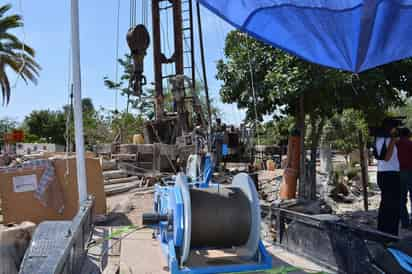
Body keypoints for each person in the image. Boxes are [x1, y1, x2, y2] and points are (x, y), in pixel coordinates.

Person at [375, 122, 401, 235]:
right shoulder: (385, 140)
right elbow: (386, 158)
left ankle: (384, 231)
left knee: (387, 204)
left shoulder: (380, 139)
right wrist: (393, 141)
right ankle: (389, 232)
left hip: (385, 174)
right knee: (392, 206)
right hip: (389, 175)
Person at [397, 128, 412, 228]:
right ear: (409, 134)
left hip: (400, 172)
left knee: (401, 199)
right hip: (411, 171)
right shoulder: (411, 144)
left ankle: (405, 222)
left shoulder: (396, 144)